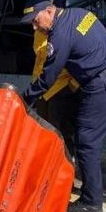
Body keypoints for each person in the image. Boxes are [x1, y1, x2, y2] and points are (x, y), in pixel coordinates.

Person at [20, 0, 106, 212]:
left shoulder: (59, 35)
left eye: (36, 21)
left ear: (50, 11)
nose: (35, 28)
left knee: (87, 141)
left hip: (104, 85)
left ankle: (91, 201)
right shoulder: (82, 15)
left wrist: (24, 101)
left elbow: (48, 77)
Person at [31, 15, 81, 161]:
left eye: (35, 20)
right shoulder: (40, 30)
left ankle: (66, 170)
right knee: (45, 132)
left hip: (62, 88)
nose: (34, 26)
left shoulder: (64, 31)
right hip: (43, 89)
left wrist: (72, 86)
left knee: (62, 134)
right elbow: (40, 60)